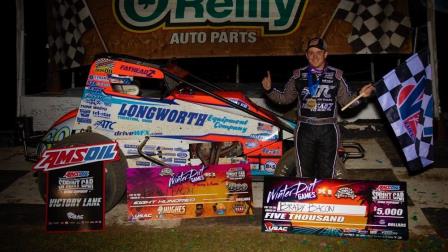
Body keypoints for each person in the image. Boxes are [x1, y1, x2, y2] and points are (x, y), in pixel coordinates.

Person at [262, 37, 375, 179]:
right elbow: (284, 98)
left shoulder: (337, 76)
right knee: (303, 172)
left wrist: (361, 95)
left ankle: (322, 200)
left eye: (319, 52)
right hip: (305, 129)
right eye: (311, 53)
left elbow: (346, 101)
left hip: (328, 129)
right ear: (306, 55)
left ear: (325, 54)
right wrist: (269, 90)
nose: (314, 56)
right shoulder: (298, 75)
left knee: (327, 172)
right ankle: (305, 199)